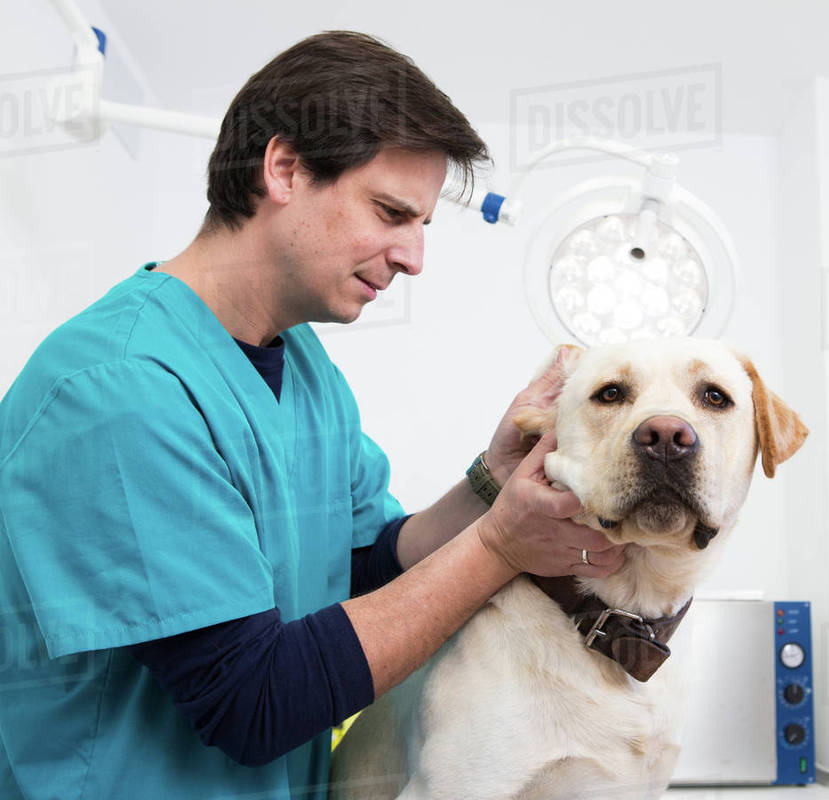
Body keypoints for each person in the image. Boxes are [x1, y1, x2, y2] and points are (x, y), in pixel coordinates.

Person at [0, 31, 623, 800]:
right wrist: (501, 545)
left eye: (423, 224)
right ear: (285, 168)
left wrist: (488, 484)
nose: (413, 257)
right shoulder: (120, 389)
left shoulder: (305, 371)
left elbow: (361, 564)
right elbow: (253, 701)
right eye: (392, 212)